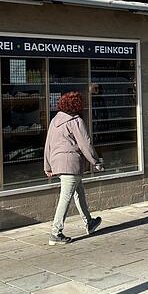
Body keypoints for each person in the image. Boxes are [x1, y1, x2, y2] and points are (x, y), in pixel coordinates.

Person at [43, 92, 103, 245]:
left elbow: (48, 144)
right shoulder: (75, 121)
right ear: (77, 105)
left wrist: (48, 166)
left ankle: (89, 222)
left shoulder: (55, 120)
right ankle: (56, 232)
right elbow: (85, 144)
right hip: (71, 164)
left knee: (79, 193)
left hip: (58, 163)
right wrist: (96, 161)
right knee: (66, 197)